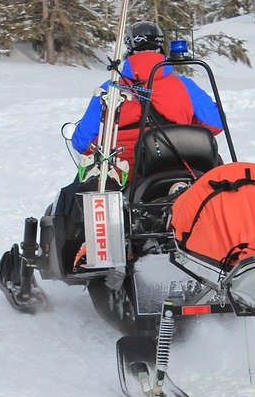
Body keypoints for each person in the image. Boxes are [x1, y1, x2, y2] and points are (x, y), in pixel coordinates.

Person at [55, 20, 223, 271]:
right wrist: (183, 128)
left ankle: (73, 262)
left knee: (73, 196)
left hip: (129, 172)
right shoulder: (184, 85)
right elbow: (215, 124)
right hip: (185, 167)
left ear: (129, 49)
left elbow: (82, 141)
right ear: (161, 48)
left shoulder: (110, 89)